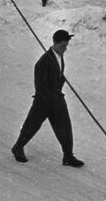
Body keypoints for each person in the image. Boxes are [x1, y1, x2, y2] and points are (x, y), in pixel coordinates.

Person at [11, 30, 84, 168]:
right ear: (55, 43)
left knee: (65, 128)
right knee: (31, 126)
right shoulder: (43, 62)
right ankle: (18, 147)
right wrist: (51, 96)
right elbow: (40, 86)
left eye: (66, 45)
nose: (65, 49)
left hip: (57, 98)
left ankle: (68, 156)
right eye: (63, 46)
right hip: (43, 101)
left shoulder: (58, 56)